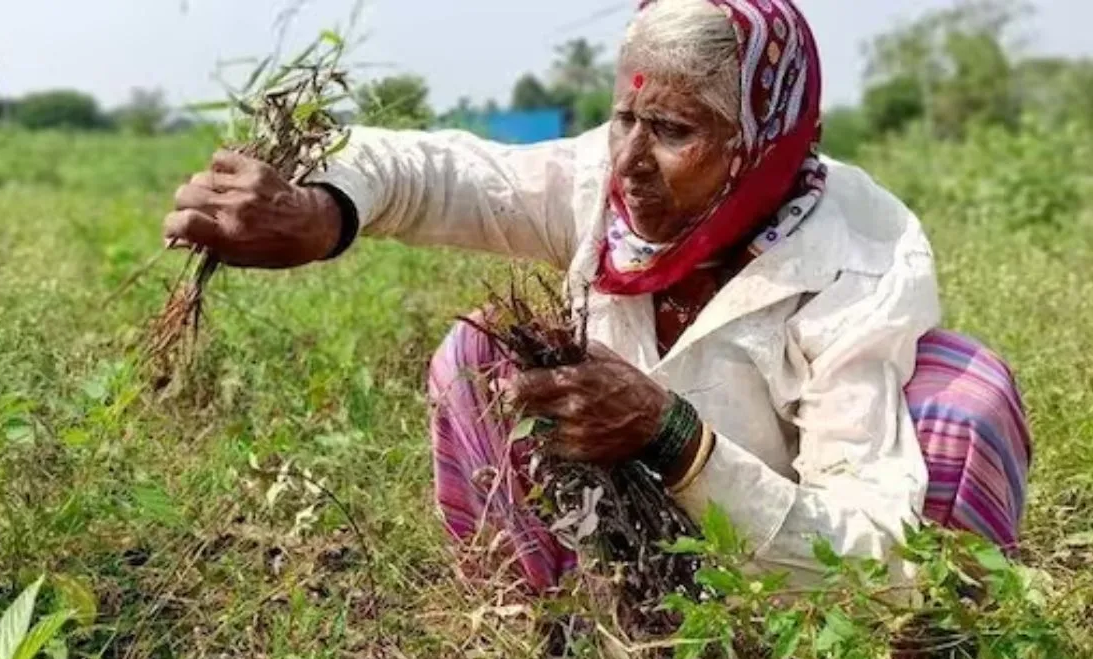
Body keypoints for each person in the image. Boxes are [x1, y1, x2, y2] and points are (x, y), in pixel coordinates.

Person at [163, 0, 1032, 593]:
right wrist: (321, 213)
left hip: (800, 592)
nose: (627, 163)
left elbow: (874, 552)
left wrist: (675, 439)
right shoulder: (606, 186)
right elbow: (435, 171)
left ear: (762, 142)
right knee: (481, 355)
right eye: (625, 119)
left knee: (961, 399)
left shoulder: (857, 260)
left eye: (675, 131)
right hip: (631, 558)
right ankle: (554, 640)